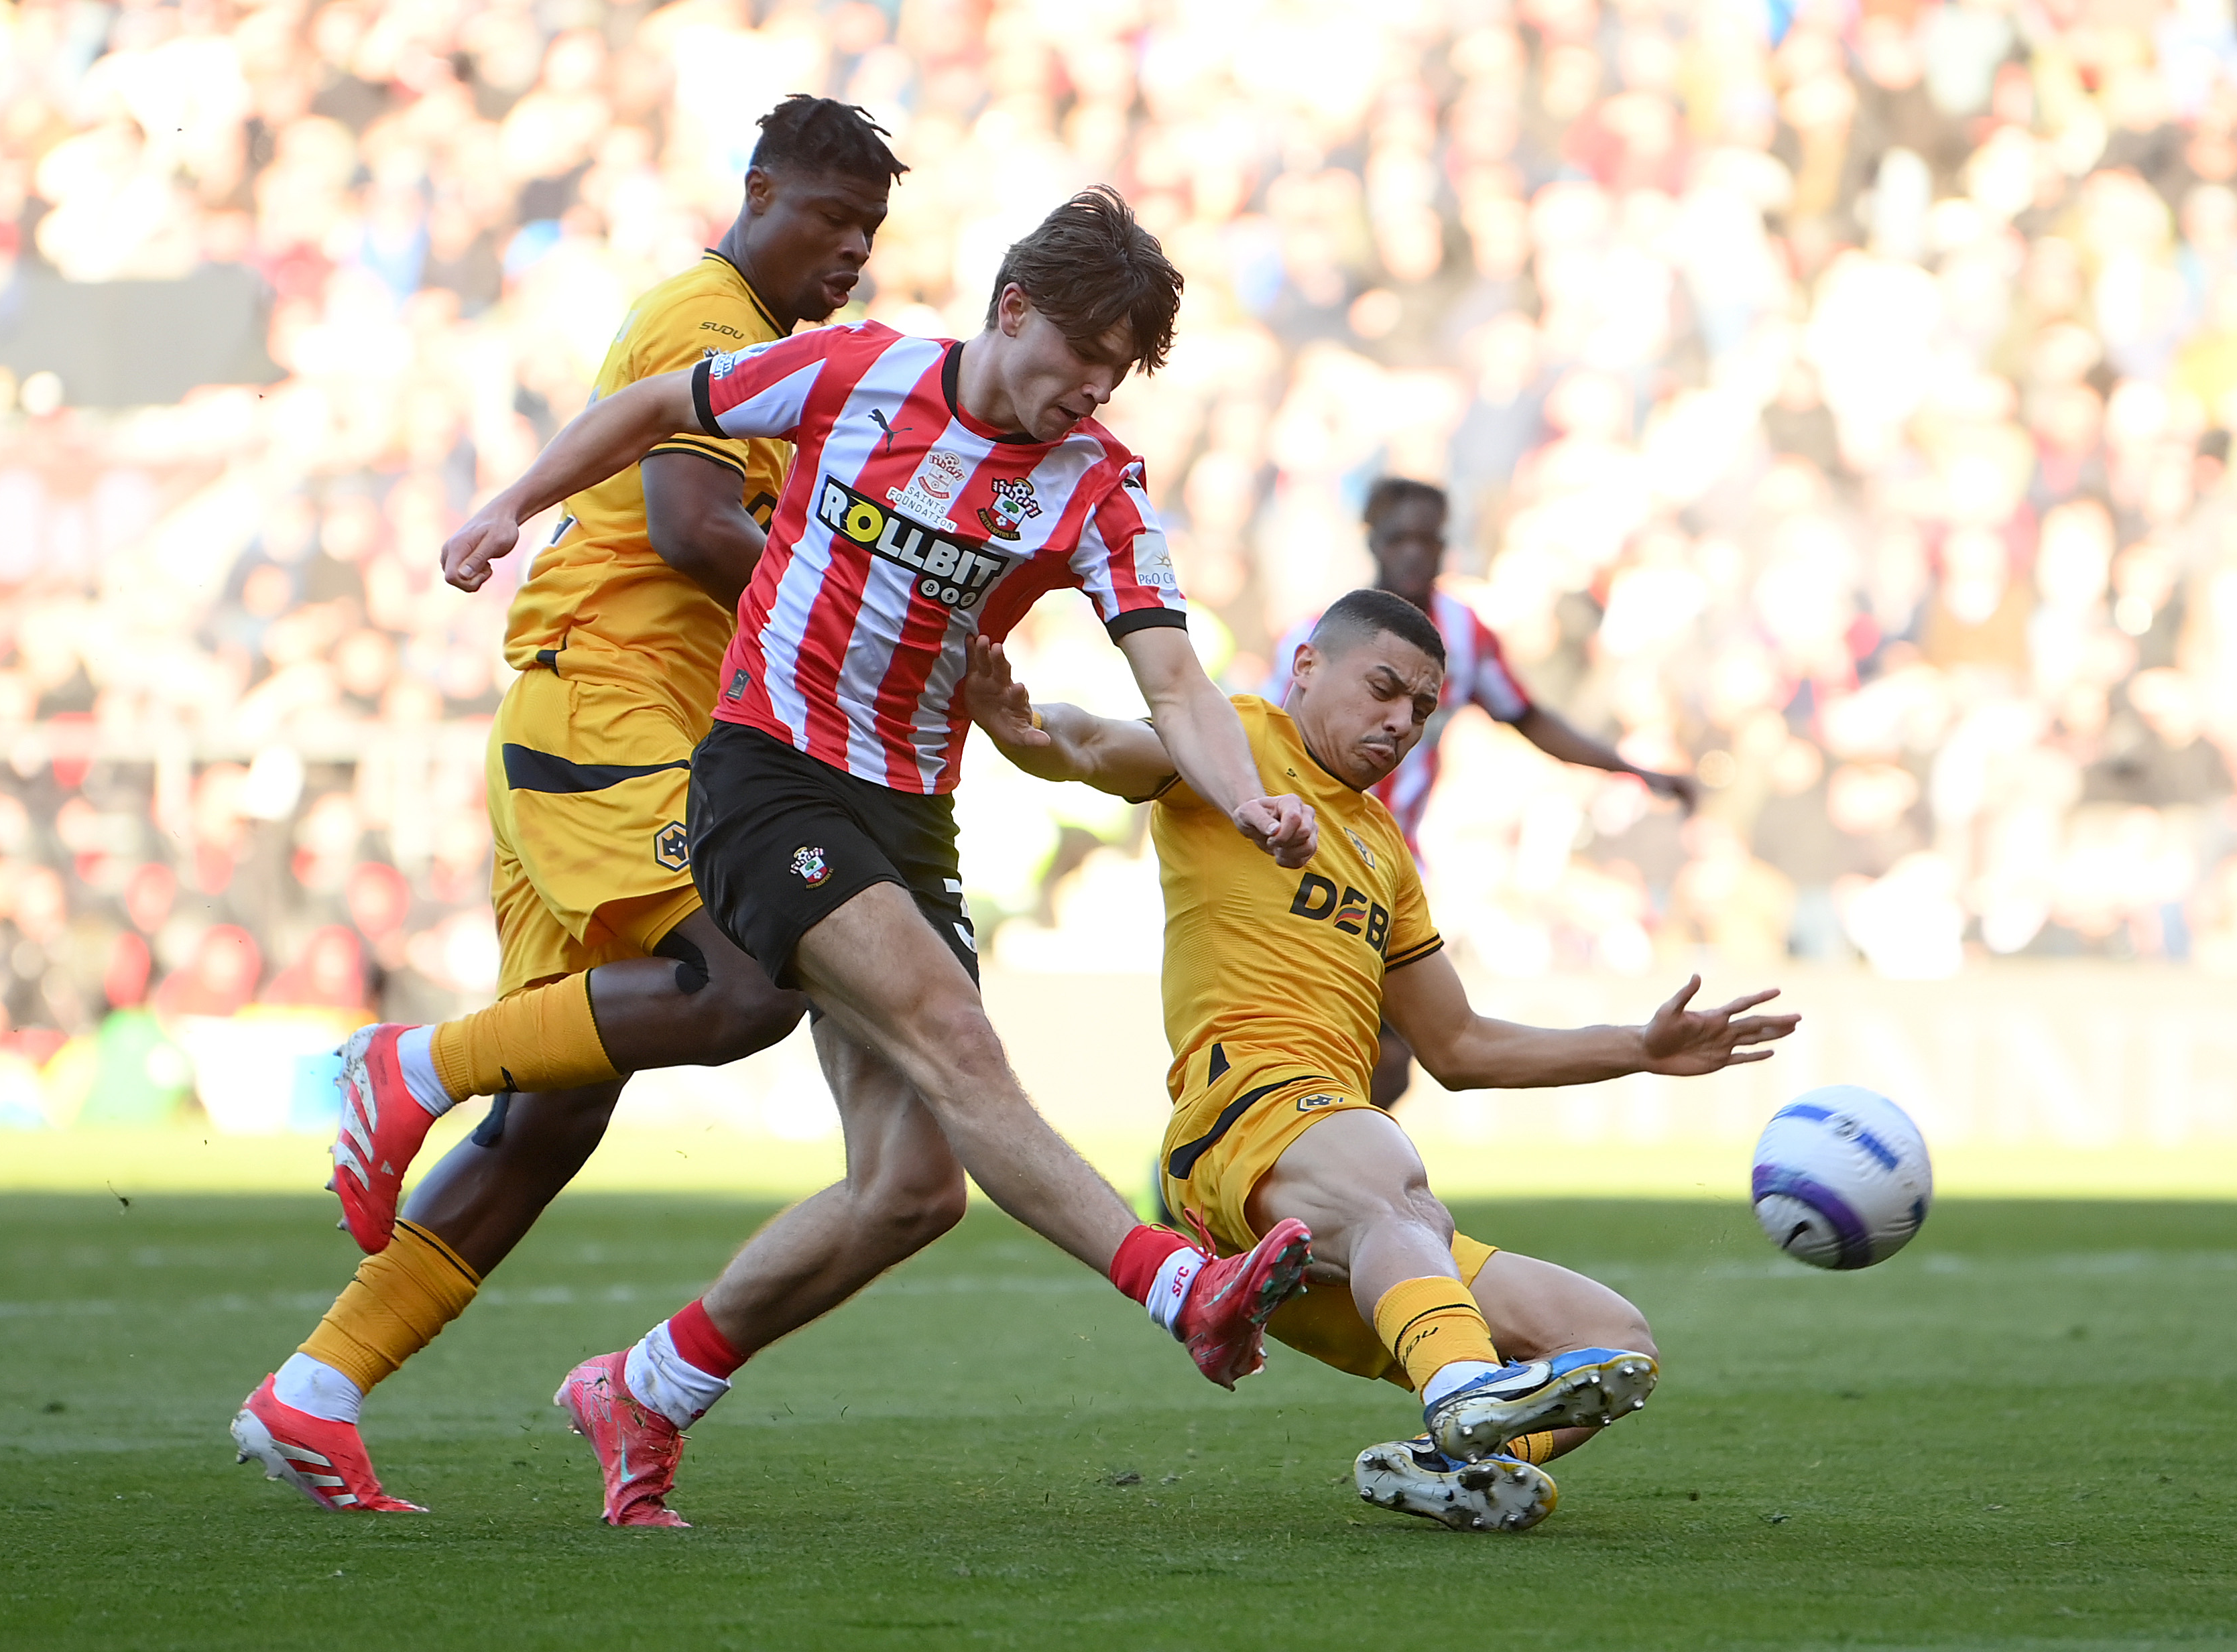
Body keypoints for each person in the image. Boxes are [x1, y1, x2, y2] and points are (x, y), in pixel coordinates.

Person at [417, 186, 1321, 1528]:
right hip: (766, 777)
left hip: (903, 815)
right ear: (1010, 307)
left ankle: (643, 1386)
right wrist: (508, 504)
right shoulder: (854, 372)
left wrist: (1246, 794)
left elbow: (1177, 680)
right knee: (958, 1039)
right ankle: (1179, 1285)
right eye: (1080, 354)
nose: (1091, 389)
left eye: (1116, 370)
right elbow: (658, 407)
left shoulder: (1097, 486)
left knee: (906, 1189)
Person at [231, 96, 902, 1515]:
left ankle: (315, 1387)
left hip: (596, 718)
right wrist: (850, 629)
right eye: (828, 216)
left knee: (554, 1116)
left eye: (868, 230)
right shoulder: (707, 321)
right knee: (741, 983)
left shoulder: (761, 343)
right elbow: (686, 526)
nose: (849, 249)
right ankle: (405, 1064)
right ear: (757, 187)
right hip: (612, 704)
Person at [963, 588, 1796, 1531]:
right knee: (1384, 1169)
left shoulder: (1382, 851)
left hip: (1334, 1202)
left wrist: (1638, 1050)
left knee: (1611, 1343)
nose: (1400, 720)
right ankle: (1463, 1390)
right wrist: (1021, 727)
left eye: (1421, 709)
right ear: (1307, 667)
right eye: (1383, 688)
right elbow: (1086, 745)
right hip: (1240, 1127)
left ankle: (1445, 1462)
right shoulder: (1231, 745)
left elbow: (1460, 1045)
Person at [1268, 476, 1704, 1109]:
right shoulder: (1321, 638)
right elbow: (1262, 734)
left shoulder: (1463, 634)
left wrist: (1632, 768)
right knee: (1301, 1046)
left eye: (1431, 539)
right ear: (1373, 542)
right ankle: (1224, 1174)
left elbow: (1526, 716)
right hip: (1303, 863)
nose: (1417, 553)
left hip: (1389, 870)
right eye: (1402, 538)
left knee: (1389, 1065)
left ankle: (1316, 1180)